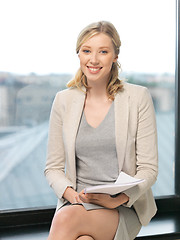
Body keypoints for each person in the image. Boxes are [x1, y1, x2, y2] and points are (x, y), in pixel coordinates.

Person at [45, 21, 158, 240]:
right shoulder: (63, 101)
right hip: (77, 203)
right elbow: (53, 168)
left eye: (103, 52)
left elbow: (149, 169)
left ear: (115, 56)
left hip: (122, 206)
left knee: (66, 220)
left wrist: (118, 199)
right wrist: (73, 196)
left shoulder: (138, 98)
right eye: (87, 51)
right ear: (78, 54)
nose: (93, 60)